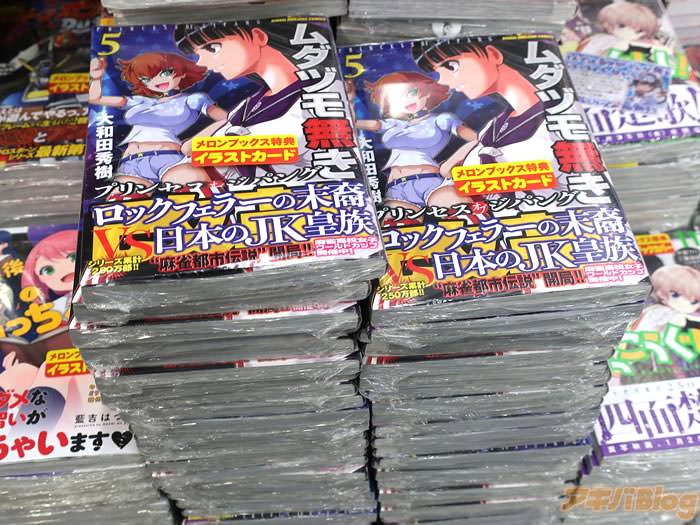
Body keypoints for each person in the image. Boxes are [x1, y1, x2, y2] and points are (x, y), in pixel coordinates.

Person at [174, 22, 316, 182]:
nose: (201, 62)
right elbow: (192, 147)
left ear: (258, 36)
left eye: (212, 48)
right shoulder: (250, 102)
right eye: (198, 53)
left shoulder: (313, 99)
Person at [412, 39, 561, 188]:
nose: (444, 81)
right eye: (438, 73)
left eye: (451, 66)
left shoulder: (555, 122)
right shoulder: (493, 127)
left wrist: (465, 180)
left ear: (493, 54)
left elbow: (550, 179)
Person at [89, 52, 228, 188]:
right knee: (122, 201)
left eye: (166, 73)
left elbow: (230, 119)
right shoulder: (140, 101)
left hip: (168, 159)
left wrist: (196, 141)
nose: (156, 80)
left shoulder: (191, 100)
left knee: (193, 192)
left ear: (182, 72)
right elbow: (96, 99)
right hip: (130, 163)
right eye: (146, 78)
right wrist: (96, 78)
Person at [351, 71, 476, 213]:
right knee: (397, 225)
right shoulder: (394, 124)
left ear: (427, 92)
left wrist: (450, 164)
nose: (406, 100)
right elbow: (359, 123)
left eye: (412, 92)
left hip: (431, 182)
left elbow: (479, 139)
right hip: (395, 189)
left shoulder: (441, 120)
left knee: (462, 216)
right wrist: (348, 102)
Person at [577, 1, 666, 58]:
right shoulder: (601, 40)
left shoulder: (647, 44)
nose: (629, 32)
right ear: (609, 24)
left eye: (639, 31)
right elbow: (583, 55)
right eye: (622, 26)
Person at [21, 228, 78, 319]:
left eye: (74, 257)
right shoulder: (56, 310)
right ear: (38, 279)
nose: (63, 269)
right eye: (47, 270)